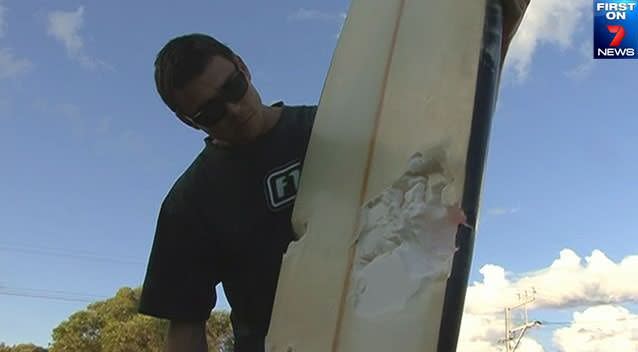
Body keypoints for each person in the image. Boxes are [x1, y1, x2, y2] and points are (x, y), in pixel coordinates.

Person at [138, 1, 530, 351]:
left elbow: (446, 135)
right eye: (211, 113)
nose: (235, 110)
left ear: (242, 66)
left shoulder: (332, 127)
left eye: (234, 88)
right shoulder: (189, 203)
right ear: (187, 121)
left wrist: (496, 29)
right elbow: (185, 324)